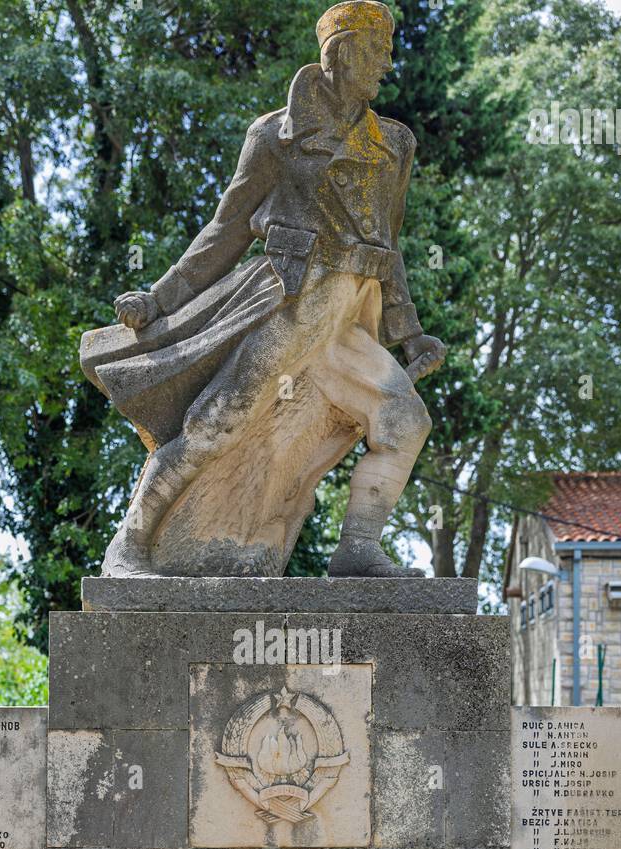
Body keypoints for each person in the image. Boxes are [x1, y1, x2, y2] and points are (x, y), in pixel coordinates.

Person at [92, 1, 446, 579]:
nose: (387, 62)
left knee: (405, 423)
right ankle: (129, 547)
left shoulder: (395, 144)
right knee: (215, 426)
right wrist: (157, 300)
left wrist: (409, 334)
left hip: (345, 322)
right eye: (377, 49)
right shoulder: (275, 135)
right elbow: (227, 230)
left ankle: (356, 548)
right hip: (289, 304)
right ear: (342, 52)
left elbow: (388, 244)